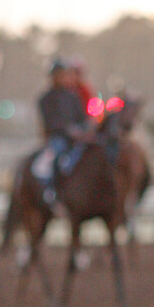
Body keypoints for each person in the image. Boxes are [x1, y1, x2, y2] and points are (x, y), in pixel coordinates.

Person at [33, 59, 94, 205]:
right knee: (58, 159)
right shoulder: (45, 99)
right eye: (60, 75)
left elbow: (82, 117)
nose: (63, 78)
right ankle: (52, 191)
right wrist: (69, 131)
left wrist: (85, 128)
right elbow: (50, 123)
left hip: (77, 139)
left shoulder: (73, 96)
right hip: (58, 138)